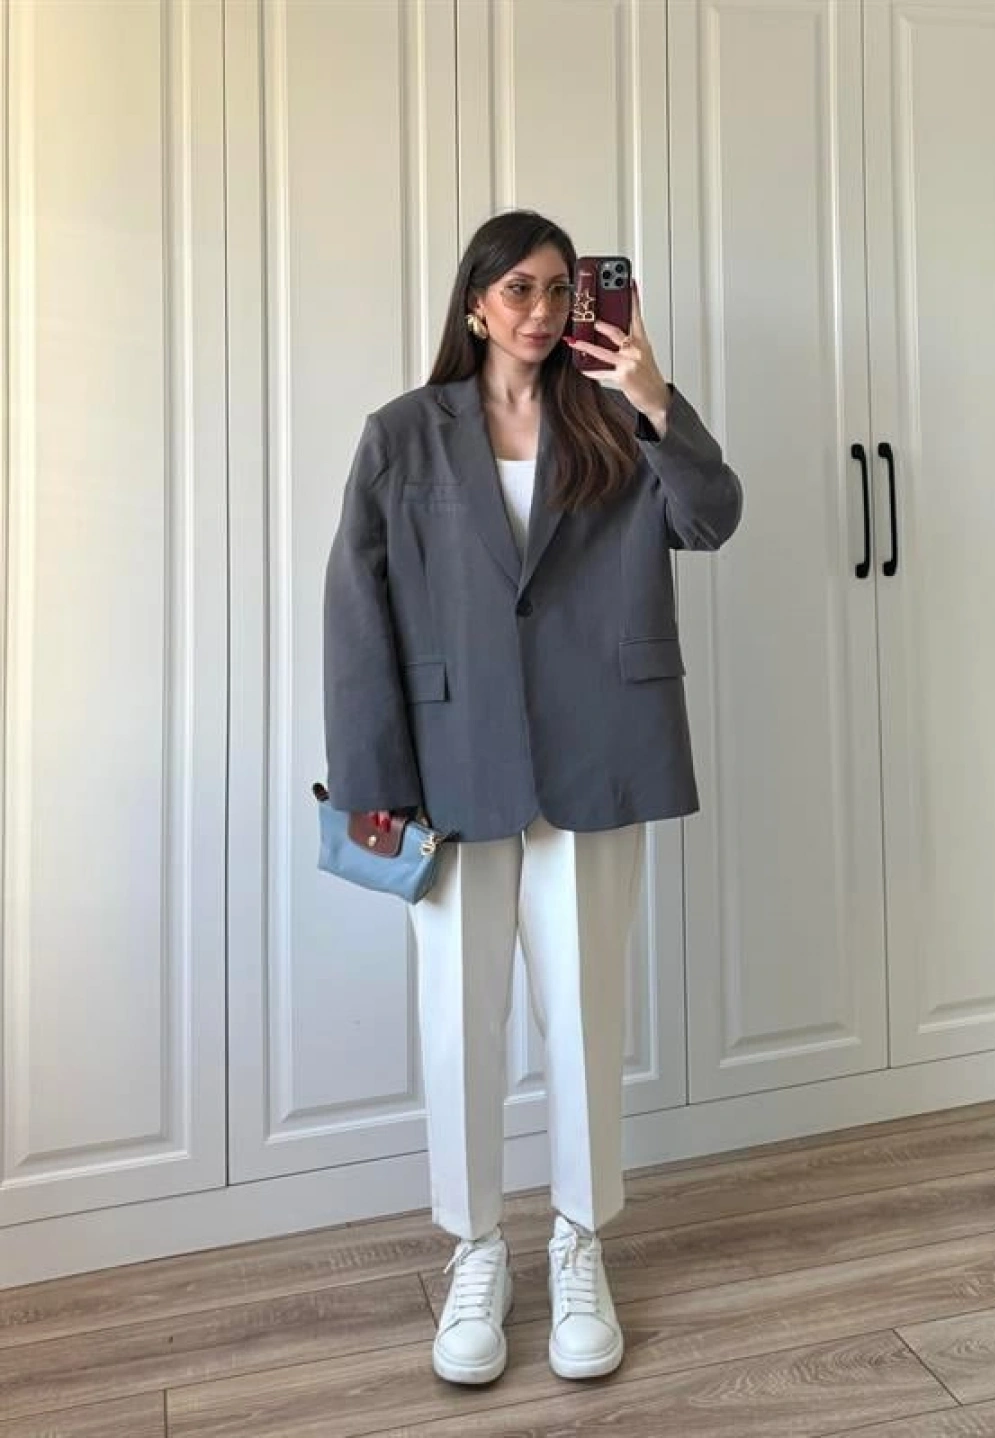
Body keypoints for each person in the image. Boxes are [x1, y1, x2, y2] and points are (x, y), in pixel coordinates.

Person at [323, 210, 742, 1386]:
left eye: (563, 289)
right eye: (520, 288)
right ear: (474, 301)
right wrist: (372, 780)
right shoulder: (403, 433)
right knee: (460, 1019)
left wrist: (655, 396)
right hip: (451, 764)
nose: (545, 310)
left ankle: (578, 1240)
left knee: (585, 1011)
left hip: (596, 753)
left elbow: (710, 518)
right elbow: (356, 611)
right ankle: (475, 1250)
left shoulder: (613, 417)